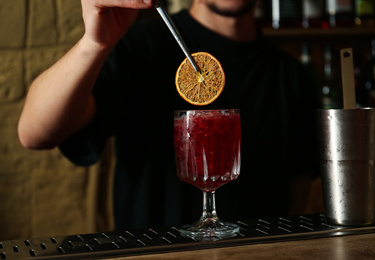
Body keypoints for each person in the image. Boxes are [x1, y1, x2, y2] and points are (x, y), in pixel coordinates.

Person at [18, 0, 318, 230]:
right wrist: (94, 44)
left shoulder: (293, 77)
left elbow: (298, 194)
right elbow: (34, 133)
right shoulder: (140, 45)